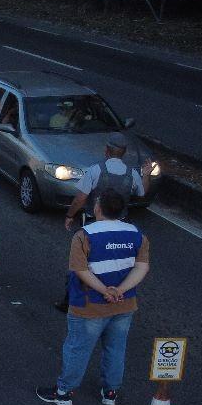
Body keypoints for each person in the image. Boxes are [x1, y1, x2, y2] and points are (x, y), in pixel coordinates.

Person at [38, 189, 150, 405]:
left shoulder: (84, 235)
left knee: (77, 348)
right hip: (124, 304)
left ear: (97, 208)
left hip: (89, 305)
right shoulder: (138, 235)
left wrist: (104, 290)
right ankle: (110, 392)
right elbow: (142, 267)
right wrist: (119, 290)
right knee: (116, 349)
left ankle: (64, 392)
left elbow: (80, 270)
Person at [54, 132, 156, 311]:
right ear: (123, 153)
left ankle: (71, 301)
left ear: (107, 150)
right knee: (116, 261)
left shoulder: (96, 170)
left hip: (95, 224)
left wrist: (70, 215)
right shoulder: (132, 173)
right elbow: (142, 193)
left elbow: (80, 199)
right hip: (122, 223)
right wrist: (146, 175)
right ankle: (116, 294)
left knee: (82, 263)